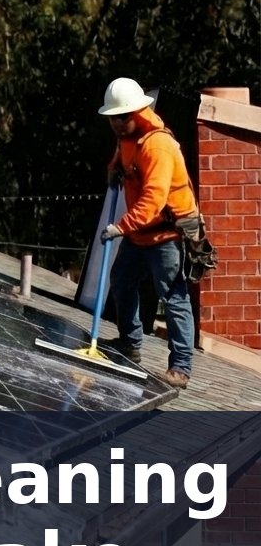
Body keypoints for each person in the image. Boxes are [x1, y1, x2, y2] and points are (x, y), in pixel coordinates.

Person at [97, 77, 198, 389]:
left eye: (120, 117)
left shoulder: (158, 146)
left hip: (165, 234)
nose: (114, 123)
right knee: (123, 280)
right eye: (112, 117)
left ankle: (180, 367)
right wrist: (113, 168)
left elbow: (153, 201)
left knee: (173, 296)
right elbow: (122, 157)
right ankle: (130, 343)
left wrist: (120, 227)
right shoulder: (127, 135)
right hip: (141, 233)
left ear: (135, 113)